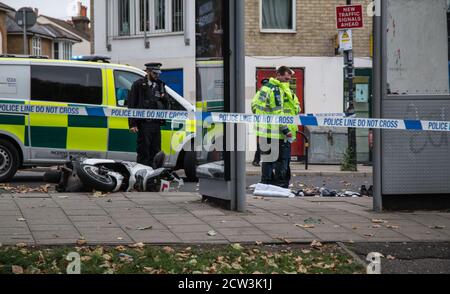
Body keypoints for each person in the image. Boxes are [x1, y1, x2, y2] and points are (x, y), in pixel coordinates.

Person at [251, 67, 296, 188]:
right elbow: (278, 113)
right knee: (282, 160)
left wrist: (264, 118)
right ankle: (279, 186)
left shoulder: (264, 89)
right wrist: (286, 130)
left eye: (289, 78)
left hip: (264, 132)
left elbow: (254, 106)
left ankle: (266, 184)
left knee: (267, 160)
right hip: (277, 133)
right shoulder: (276, 90)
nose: (288, 80)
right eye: (286, 78)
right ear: (278, 75)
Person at [128, 62, 169, 167]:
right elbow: (132, 103)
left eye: (158, 73)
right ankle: (142, 175)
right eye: (155, 73)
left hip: (156, 124)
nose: (157, 76)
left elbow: (167, 104)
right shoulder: (138, 85)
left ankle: (154, 175)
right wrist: (132, 124)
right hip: (144, 124)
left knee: (156, 151)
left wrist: (164, 97)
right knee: (144, 151)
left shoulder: (160, 85)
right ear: (148, 71)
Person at [251, 78, 270, 167]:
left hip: (263, 121)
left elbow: (253, 106)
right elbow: (254, 106)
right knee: (264, 142)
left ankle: (257, 160)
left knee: (265, 142)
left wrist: (257, 112)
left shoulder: (259, 93)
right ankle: (258, 160)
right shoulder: (264, 93)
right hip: (264, 122)